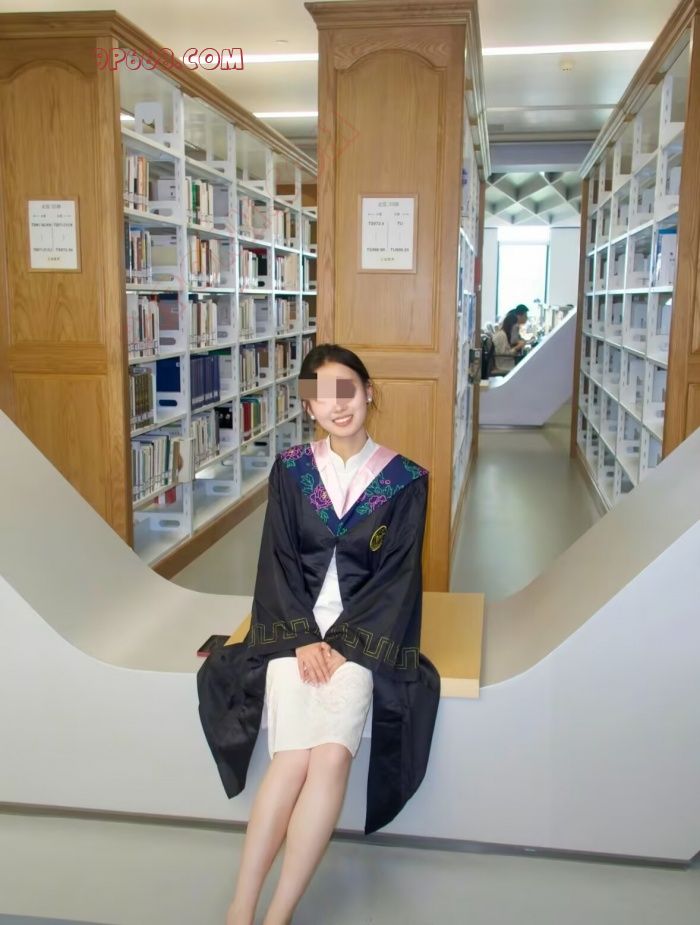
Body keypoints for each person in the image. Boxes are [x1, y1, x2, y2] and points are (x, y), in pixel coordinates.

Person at [197, 343, 440, 925]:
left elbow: (399, 579)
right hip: (293, 633)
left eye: (348, 389)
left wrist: (343, 646)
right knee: (290, 760)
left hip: (360, 641)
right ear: (309, 407)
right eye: (322, 396)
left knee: (330, 758)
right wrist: (302, 637)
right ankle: (241, 907)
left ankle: (279, 913)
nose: (338, 405)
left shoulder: (404, 481)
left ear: (368, 392)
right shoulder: (291, 471)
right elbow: (276, 560)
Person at [491, 304, 529, 373]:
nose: (517, 329)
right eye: (516, 326)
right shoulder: (501, 336)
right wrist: (518, 347)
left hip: (508, 361)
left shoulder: (505, 334)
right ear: (511, 325)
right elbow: (505, 354)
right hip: (504, 365)